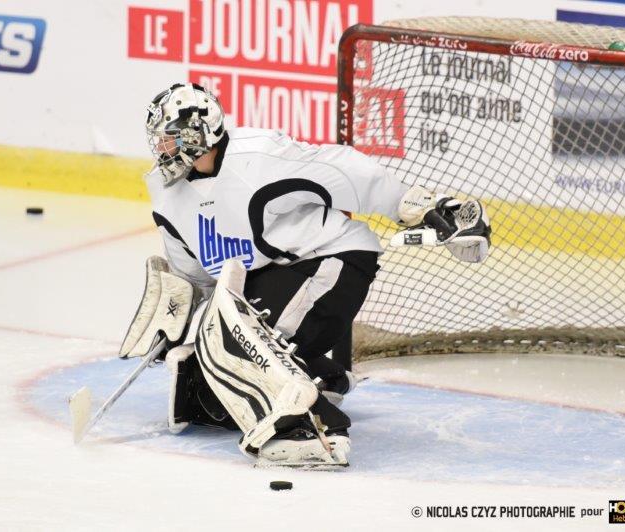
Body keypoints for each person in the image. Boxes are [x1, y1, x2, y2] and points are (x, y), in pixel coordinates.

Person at [121, 82, 490, 468]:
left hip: (334, 260)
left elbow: (341, 169)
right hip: (277, 274)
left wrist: (415, 206)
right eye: (160, 141)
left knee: (247, 340)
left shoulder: (256, 158)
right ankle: (321, 379)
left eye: (172, 139)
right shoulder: (167, 197)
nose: (163, 150)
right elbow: (198, 279)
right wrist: (181, 328)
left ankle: (316, 429)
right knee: (213, 383)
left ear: (201, 133)